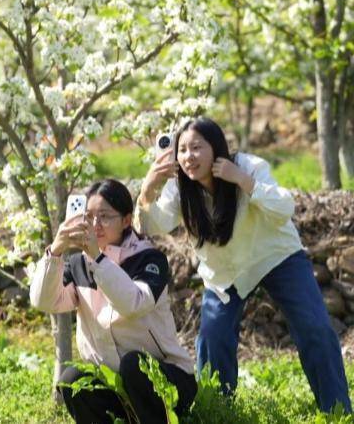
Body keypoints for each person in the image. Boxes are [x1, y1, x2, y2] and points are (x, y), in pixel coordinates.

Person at [135, 116, 351, 412]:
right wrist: (148, 190)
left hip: (277, 257)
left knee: (315, 328)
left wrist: (241, 179)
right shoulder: (180, 186)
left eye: (196, 147)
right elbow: (154, 225)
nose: (188, 157)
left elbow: (285, 207)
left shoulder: (248, 166)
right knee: (213, 339)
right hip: (226, 274)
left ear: (216, 147)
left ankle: (337, 410)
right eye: (182, 150)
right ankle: (218, 412)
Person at [30, 179, 197, 424]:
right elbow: (43, 301)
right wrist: (55, 251)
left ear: (126, 221)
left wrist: (97, 258)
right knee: (71, 379)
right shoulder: (78, 264)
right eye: (89, 216)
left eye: (105, 216)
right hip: (116, 385)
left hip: (168, 379)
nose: (95, 224)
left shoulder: (149, 259)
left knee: (134, 365)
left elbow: (132, 305)